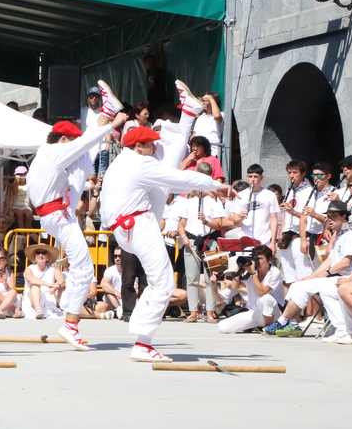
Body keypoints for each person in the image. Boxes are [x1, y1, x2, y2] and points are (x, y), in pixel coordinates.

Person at [100, 122, 235, 362]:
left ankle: (140, 331)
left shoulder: (119, 163)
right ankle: (143, 344)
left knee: (158, 283)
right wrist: (216, 184)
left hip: (125, 229)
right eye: (151, 145)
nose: (154, 149)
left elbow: (171, 182)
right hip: (138, 226)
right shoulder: (140, 163)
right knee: (163, 284)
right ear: (138, 146)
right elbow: (179, 176)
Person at [26, 113, 128, 349]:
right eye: (71, 142)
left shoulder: (47, 154)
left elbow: (85, 147)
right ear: (63, 140)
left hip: (57, 213)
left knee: (85, 154)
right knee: (84, 269)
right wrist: (112, 126)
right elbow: (83, 143)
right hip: (59, 215)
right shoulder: (54, 152)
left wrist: (104, 122)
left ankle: (106, 110)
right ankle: (70, 325)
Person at [263, 200, 352, 340]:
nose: (330, 220)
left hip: (349, 278)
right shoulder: (340, 235)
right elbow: (330, 260)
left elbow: (346, 262)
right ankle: (291, 323)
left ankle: (343, 330)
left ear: (344, 216)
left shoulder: (351, 235)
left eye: (334, 216)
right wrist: (311, 276)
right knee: (299, 284)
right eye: (328, 217)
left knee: (326, 288)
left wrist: (326, 273)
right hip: (336, 277)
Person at [176, 165, 228, 323]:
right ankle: (193, 312)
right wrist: (184, 237)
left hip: (209, 240)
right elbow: (181, 224)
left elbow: (219, 224)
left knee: (210, 279)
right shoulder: (188, 202)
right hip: (192, 241)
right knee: (191, 278)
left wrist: (206, 221)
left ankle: (210, 312)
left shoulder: (214, 202)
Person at [217, 246, 284, 334]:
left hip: (274, 314)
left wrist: (253, 273)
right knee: (223, 327)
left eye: (260, 258)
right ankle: (258, 326)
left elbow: (261, 292)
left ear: (269, 260)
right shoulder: (250, 271)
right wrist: (239, 270)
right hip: (254, 312)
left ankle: (268, 328)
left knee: (265, 298)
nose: (257, 261)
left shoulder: (274, 272)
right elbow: (235, 287)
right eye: (255, 258)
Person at [222, 164, 280, 251]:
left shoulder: (270, 195)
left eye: (256, 177)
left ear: (262, 178)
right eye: (250, 176)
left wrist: (273, 242)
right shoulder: (240, 195)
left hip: (264, 241)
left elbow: (274, 219)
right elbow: (236, 222)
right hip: (245, 240)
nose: (252, 180)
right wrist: (241, 218)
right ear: (247, 177)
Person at [277, 159, 315, 284]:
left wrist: (293, 212)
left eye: (295, 172)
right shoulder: (290, 190)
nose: (291, 176)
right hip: (286, 236)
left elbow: (308, 216)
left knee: (303, 275)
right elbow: (286, 216)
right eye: (289, 172)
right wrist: (281, 233)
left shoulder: (309, 191)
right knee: (289, 276)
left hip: (299, 235)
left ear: (303, 174)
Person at [22, 243, 65, 319]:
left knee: (60, 287)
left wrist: (56, 286)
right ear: (35, 255)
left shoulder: (53, 269)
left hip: (49, 298)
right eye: (38, 253)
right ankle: (38, 309)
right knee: (35, 286)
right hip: (33, 299)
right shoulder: (29, 268)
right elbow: (29, 278)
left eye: (43, 253)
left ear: (47, 255)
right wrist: (47, 284)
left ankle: (63, 308)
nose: (41, 255)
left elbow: (61, 280)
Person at [194, 91, 225, 156]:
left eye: (204, 100)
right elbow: (194, 134)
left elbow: (217, 116)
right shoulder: (200, 117)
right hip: (198, 153)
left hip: (212, 152)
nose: (202, 103)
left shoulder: (221, 114)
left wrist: (211, 99)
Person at [9, 165, 33, 230]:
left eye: (22, 174)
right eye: (18, 174)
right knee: (20, 214)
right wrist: (16, 182)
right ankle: (22, 233)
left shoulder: (29, 185)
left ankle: (27, 231)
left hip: (26, 206)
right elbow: (15, 193)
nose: (20, 176)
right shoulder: (13, 185)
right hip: (15, 206)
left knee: (29, 214)